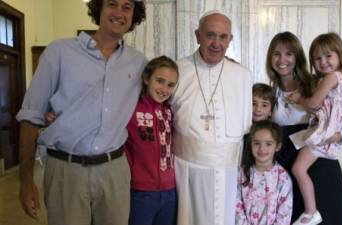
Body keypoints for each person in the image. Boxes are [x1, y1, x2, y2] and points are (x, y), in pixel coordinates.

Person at [16, 0, 147, 224]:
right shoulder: (60, 51)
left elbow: (162, 92)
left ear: (134, 15)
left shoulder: (138, 63)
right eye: (112, 4)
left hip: (114, 170)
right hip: (66, 171)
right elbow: (31, 116)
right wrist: (26, 181)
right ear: (98, 8)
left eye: (127, 7)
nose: (118, 12)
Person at [170, 10, 253, 225]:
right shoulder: (177, 70)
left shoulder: (243, 75)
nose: (217, 43)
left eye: (223, 37)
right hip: (186, 170)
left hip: (229, 172)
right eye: (210, 35)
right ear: (197, 35)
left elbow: (247, 126)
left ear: (230, 40)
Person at [266, 31, 342, 225]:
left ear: (297, 57)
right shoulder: (271, 93)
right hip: (286, 166)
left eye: (289, 53)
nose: (283, 59)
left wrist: (340, 136)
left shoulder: (315, 84)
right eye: (276, 53)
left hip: (318, 161)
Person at [125, 56, 179, 225]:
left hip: (170, 192)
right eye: (160, 81)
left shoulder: (171, 111)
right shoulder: (130, 108)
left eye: (170, 85)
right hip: (140, 192)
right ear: (147, 78)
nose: (164, 89)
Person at [235, 120, 293, 225]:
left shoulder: (283, 178)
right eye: (257, 143)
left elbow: (284, 215)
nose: (262, 148)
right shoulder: (242, 173)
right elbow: (236, 206)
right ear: (251, 144)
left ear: (277, 146)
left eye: (268, 144)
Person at [241, 83, 275, 166]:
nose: (258, 109)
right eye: (253, 103)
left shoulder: (273, 132)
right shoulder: (242, 129)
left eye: (264, 105)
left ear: (271, 111)